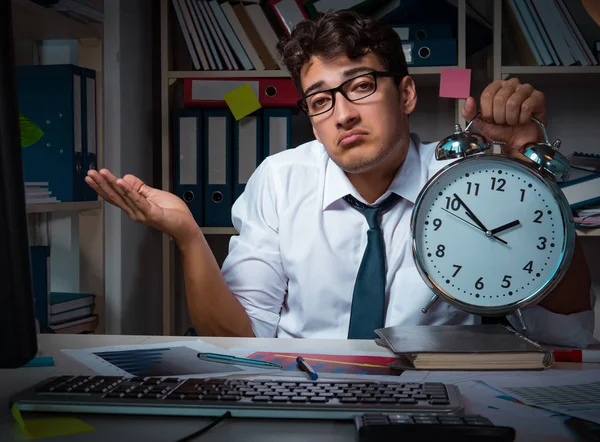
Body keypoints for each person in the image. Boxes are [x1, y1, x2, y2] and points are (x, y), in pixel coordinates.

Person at [86, 11, 594, 346]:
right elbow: (240, 339)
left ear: (408, 95)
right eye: (321, 99)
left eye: (362, 86)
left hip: (435, 397)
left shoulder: (468, 181)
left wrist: (527, 166)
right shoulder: (280, 180)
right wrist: (188, 236)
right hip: (303, 390)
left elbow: (566, 326)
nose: (343, 114)